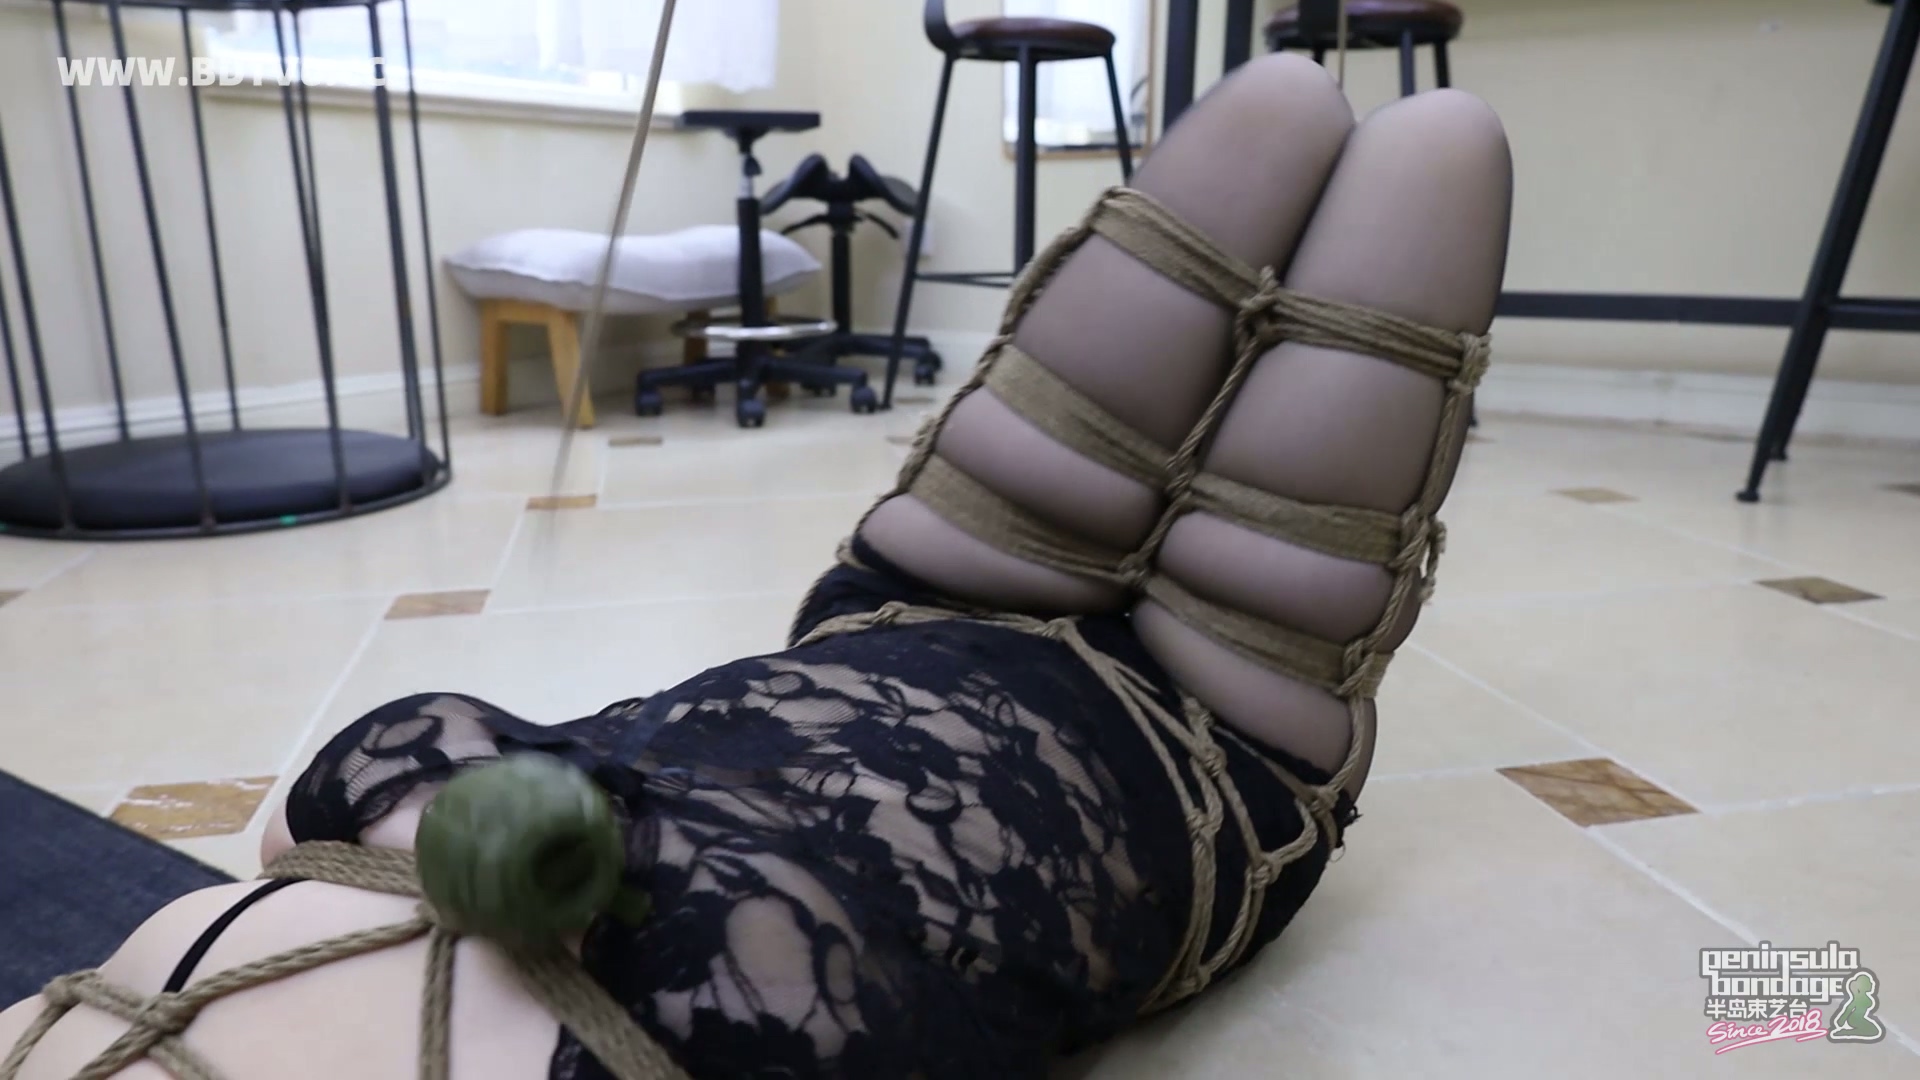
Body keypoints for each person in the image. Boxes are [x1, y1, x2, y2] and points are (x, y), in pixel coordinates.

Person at [0, 54, 1512, 1080]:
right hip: (1197, 747)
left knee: (1286, 116)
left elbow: (362, 786)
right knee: (1431, 155)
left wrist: (416, 803)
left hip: (918, 612)